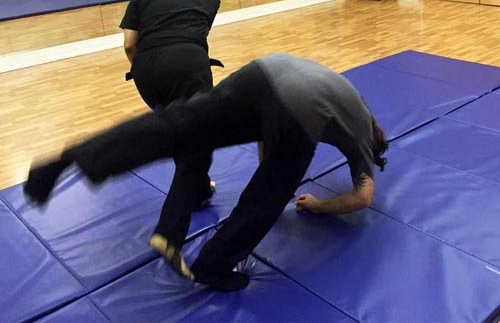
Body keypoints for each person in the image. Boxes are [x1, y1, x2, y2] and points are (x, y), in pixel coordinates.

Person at [24, 53, 389, 291]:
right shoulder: (359, 133)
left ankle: (72, 158)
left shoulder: (350, 97)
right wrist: (315, 205)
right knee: (269, 196)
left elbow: (270, 127)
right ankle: (213, 266)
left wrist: (271, 166)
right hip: (298, 102)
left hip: (265, 72)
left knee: (179, 126)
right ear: (372, 141)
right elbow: (363, 195)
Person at [120, 0, 221, 276]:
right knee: (198, 140)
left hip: (145, 73)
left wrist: (147, 70)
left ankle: (200, 189)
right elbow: (191, 37)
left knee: (186, 133)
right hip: (188, 66)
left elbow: (130, 44)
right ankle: (168, 233)